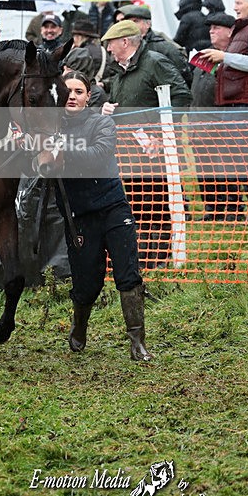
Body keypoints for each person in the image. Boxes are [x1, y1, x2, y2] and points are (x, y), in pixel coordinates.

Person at [56, 70, 151, 361]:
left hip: (112, 207)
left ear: (89, 96)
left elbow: (99, 154)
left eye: (79, 91)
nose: (72, 96)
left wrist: (61, 151)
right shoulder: (48, 129)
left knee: (127, 272)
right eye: (68, 91)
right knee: (87, 282)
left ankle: (137, 341)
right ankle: (79, 325)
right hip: (79, 214)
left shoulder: (102, 122)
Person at [101, 20, 191, 269]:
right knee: (137, 204)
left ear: (125, 42)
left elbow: (182, 95)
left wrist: (163, 135)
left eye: (110, 44)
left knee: (159, 203)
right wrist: (109, 107)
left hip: (155, 150)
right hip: (130, 152)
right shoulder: (120, 72)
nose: (108, 49)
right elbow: (123, 105)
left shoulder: (154, 62)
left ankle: (161, 258)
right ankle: (144, 257)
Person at [200, 0, 248, 221]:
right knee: (238, 161)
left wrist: (225, 58)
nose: (234, 7)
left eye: (239, 2)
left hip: (247, 106)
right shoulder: (243, 30)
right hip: (234, 106)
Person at [190, 12, 242, 221]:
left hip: (220, 125)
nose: (211, 31)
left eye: (217, 27)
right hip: (198, 125)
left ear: (231, 31)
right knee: (204, 170)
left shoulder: (235, 58)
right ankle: (213, 208)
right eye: (210, 28)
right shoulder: (205, 57)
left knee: (226, 169)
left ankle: (232, 210)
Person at [119, 3, 192, 86]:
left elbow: (183, 76)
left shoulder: (163, 47)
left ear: (148, 24)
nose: (132, 25)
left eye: (136, 21)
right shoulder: (126, 46)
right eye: (129, 22)